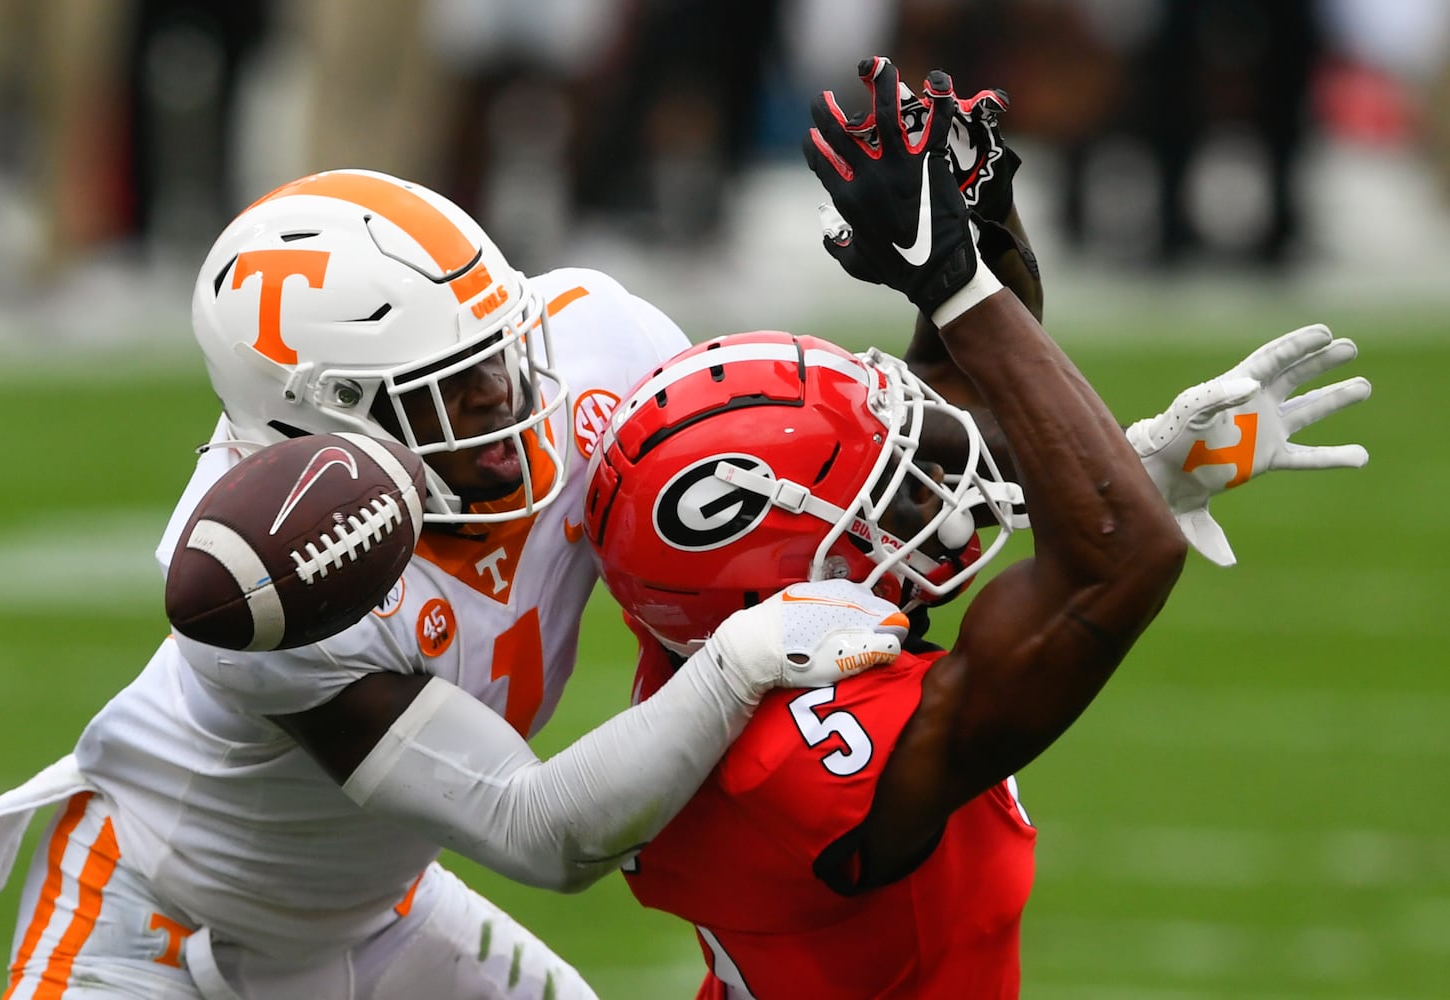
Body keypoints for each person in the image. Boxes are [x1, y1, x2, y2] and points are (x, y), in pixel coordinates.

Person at [0, 168, 911, 1000]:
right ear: (323, 418)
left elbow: (776, 481)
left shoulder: (595, 344)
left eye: (498, 350)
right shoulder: (268, 582)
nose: (505, 398)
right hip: (162, 941)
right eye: (448, 389)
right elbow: (539, 829)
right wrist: (744, 661)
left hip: (381, 913)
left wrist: (960, 293)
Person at [582, 56, 1371, 998]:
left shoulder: (698, 610)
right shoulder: (800, 766)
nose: (924, 495)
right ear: (782, 566)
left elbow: (962, 403)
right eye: (881, 494)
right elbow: (1118, 566)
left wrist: (971, 220)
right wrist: (952, 282)